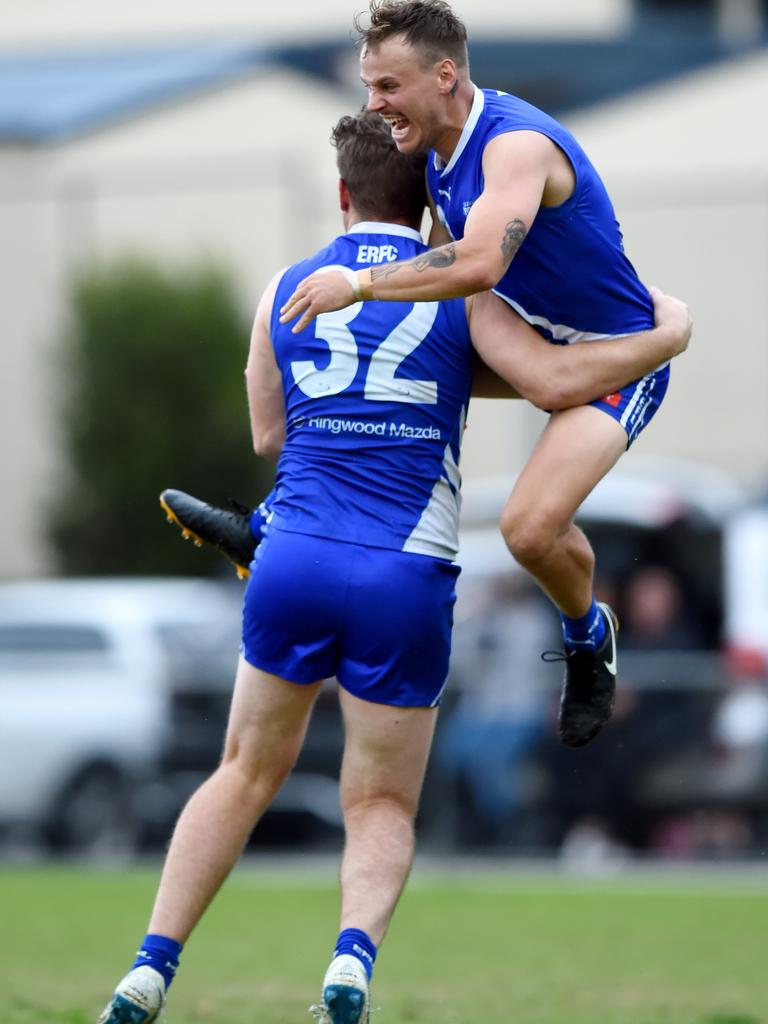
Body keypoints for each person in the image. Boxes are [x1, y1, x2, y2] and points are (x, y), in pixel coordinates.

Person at [98, 110, 689, 1024]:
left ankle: (148, 968)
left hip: (294, 555)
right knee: (377, 800)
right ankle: (349, 967)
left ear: (342, 195)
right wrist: (664, 335)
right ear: (435, 208)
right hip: (404, 573)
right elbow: (551, 382)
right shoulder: (465, 297)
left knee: (244, 772)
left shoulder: (284, 288)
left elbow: (270, 435)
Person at [278, 0, 684, 750]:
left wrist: (358, 286)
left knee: (528, 529)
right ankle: (282, 522)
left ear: (444, 74)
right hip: (533, 337)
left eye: (388, 86)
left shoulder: (514, 145)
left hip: (614, 353)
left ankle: (590, 635)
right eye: (369, 87)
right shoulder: (432, 153)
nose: (375, 105)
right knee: (393, 377)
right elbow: (438, 281)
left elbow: (478, 263)